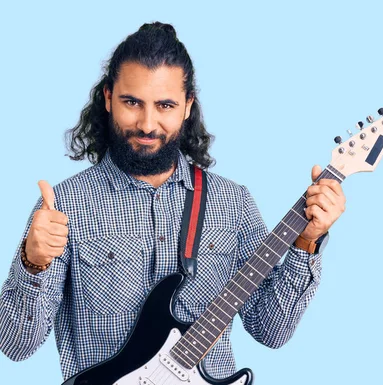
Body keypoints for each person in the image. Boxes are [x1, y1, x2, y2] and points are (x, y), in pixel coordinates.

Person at [0, 22, 345, 381]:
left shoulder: (232, 202)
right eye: (132, 102)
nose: (148, 124)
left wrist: (307, 242)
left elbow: (270, 331)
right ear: (107, 98)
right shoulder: (64, 206)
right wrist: (32, 263)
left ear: (186, 107)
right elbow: (15, 345)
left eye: (164, 105)